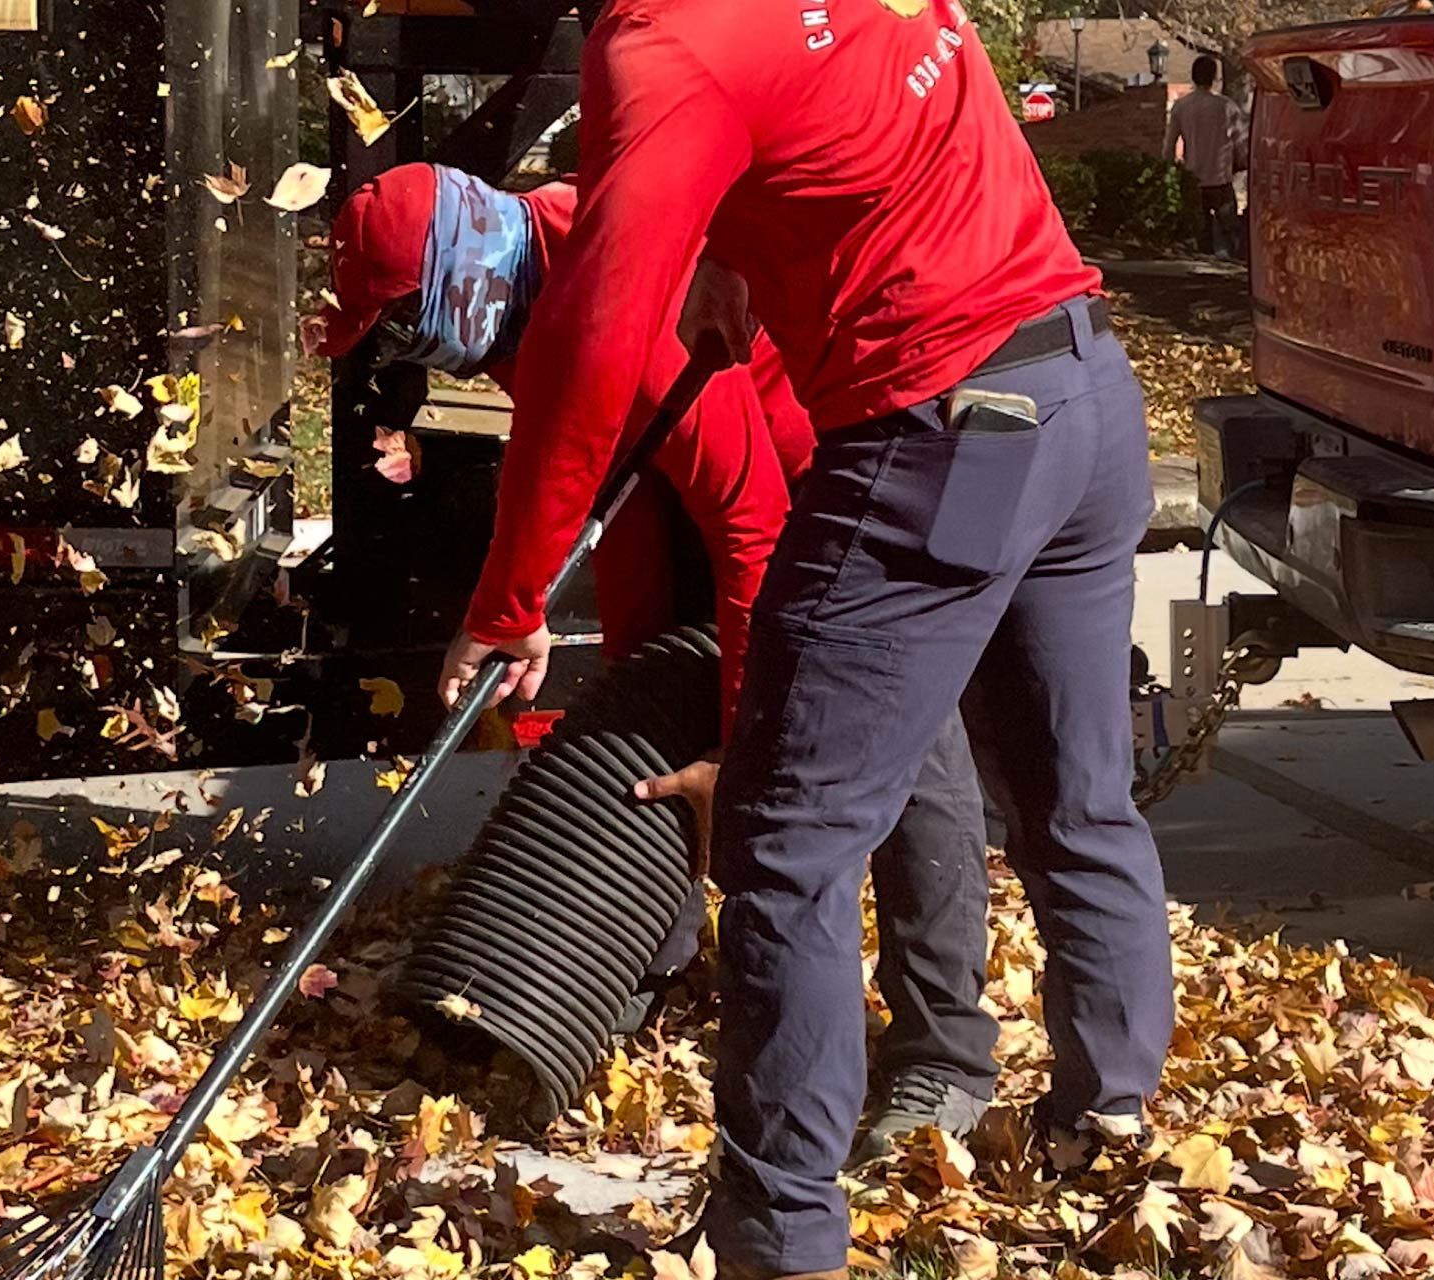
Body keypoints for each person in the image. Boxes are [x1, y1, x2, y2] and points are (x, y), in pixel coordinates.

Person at [435, 0, 1176, 1270]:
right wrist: (735, 255)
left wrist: (507, 603)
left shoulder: (663, 40)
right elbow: (847, 128)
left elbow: (594, 344)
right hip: (1085, 396)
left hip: (941, 433)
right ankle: (1108, 1127)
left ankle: (779, 1233)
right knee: (1077, 795)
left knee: (785, 852)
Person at [308, 162, 1001, 1161]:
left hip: (845, 457)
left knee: (899, 710)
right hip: (722, 475)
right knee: (676, 699)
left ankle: (945, 1049)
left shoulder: (613, 289)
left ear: (454, 279)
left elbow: (755, 524)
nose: (421, 356)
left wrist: (744, 747)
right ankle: (649, 948)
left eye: (408, 326)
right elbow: (618, 492)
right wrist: (589, 642)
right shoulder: (529, 282)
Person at [1163, 54, 1243, 259]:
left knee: (1201, 234)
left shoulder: (1182, 106)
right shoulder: (1226, 107)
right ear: (1214, 77)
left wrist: (1168, 170)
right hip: (1220, 177)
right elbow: (1240, 143)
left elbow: (1170, 143)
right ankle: (1234, 267)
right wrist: (1240, 163)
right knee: (1231, 231)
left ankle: (1206, 264)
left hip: (1193, 177)